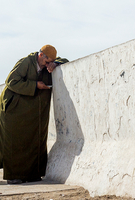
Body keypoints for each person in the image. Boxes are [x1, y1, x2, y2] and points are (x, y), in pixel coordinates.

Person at [0, 45, 68, 184]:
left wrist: (55, 64)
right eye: (47, 60)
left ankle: (32, 174)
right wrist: (35, 85)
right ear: (41, 55)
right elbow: (11, 81)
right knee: (15, 141)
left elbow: (65, 61)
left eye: (51, 61)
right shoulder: (26, 62)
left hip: (31, 110)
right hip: (14, 108)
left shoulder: (48, 64)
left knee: (35, 140)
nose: (48, 64)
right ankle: (14, 176)